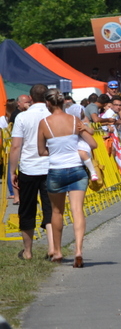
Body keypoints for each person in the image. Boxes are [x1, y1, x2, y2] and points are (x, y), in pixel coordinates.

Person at [36, 89, 98, 267]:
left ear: (48, 103)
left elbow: (41, 151)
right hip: (77, 169)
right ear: (63, 102)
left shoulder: (44, 123)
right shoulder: (74, 120)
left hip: (56, 170)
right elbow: (92, 144)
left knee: (57, 212)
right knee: (77, 210)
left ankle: (57, 251)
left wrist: (55, 150)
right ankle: (78, 250)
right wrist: (85, 129)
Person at [9, 84, 56, 260]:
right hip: (50, 166)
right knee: (50, 208)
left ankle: (27, 251)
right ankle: (52, 247)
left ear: (30, 98)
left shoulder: (22, 117)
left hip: (29, 167)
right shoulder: (52, 114)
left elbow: (15, 146)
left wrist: (12, 171)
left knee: (27, 209)